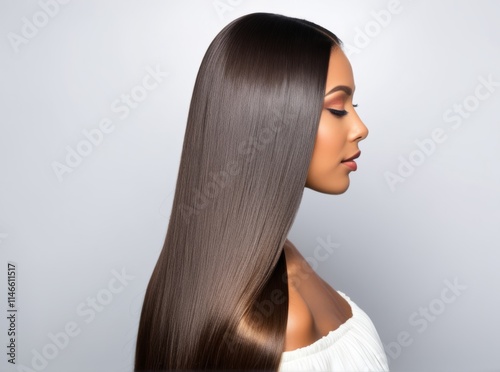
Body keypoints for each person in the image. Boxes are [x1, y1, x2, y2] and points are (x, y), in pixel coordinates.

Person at [134, 12, 389, 371]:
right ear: (271, 122)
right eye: (336, 108)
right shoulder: (276, 322)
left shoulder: (276, 261)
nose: (360, 128)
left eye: (354, 106)